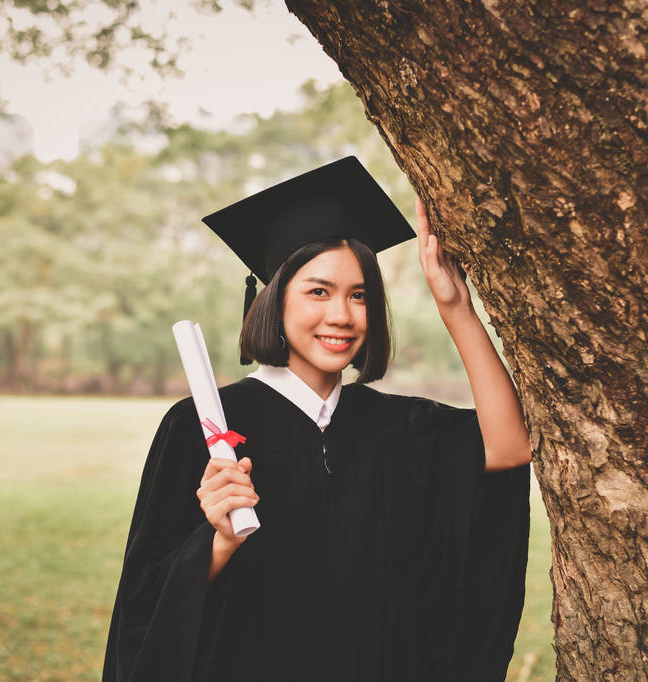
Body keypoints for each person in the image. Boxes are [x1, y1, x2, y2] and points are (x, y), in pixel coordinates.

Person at [102, 157, 532, 682]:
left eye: (360, 295)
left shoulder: (397, 427)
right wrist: (219, 539)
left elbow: (508, 448)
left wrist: (456, 306)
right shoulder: (201, 425)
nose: (342, 316)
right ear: (273, 299)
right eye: (318, 291)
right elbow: (145, 604)